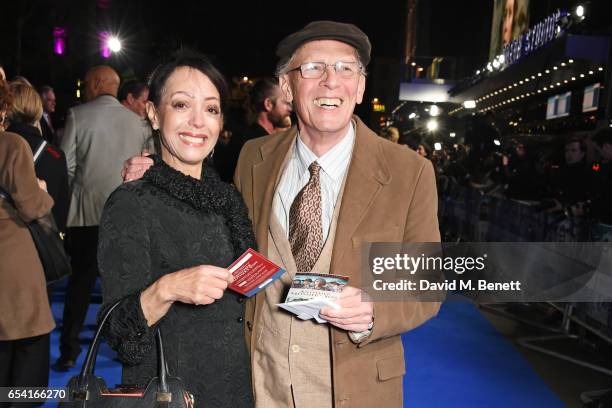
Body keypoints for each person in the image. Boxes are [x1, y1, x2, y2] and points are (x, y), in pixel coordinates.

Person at [123, 21, 441, 408]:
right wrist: (156, 174)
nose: (330, 82)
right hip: (259, 385)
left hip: (356, 388)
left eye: (345, 69)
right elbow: (215, 221)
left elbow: (425, 284)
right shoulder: (254, 157)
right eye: (313, 68)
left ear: (360, 87)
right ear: (287, 88)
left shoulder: (409, 172)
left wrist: (375, 312)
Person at [99, 51, 254, 407]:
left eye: (211, 109)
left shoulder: (229, 199)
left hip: (236, 389)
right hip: (169, 392)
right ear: (153, 114)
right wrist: (169, 288)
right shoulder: (131, 201)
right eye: (182, 104)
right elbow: (116, 330)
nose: (198, 121)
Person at [55, 65, 154, 370]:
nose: (83, 87)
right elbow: (148, 166)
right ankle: (127, 349)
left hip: (86, 215)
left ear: (97, 83)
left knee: (80, 285)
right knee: (123, 286)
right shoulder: (137, 123)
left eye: (85, 82)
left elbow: (67, 168)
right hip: (126, 215)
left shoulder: (77, 116)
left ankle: (69, 350)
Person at [0, 79, 56, 406]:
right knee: (25, 374)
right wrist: (43, 191)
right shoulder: (11, 145)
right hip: (13, 266)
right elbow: (32, 206)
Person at [6, 81, 70, 232]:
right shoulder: (56, 155)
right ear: (37, 107)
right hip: (39, 243)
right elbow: (60, 217)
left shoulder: (4, 145)